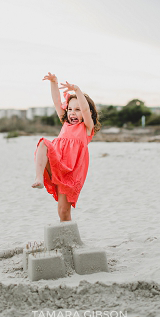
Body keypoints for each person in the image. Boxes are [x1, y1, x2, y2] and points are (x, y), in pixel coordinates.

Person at [31, 72, 100, 222]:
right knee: (43, 143)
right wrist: (53, 82)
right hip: (57, 162)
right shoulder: (65, 123)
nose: (72, 113)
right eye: (70, 109)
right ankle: (38, 178)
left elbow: (86, 109)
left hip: (72, 171)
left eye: (77, 109)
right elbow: (57, 102)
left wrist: (77, 90)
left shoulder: (87, 127)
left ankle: (69, 238)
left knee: (63, 210)